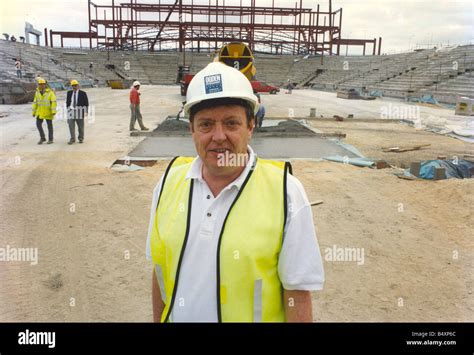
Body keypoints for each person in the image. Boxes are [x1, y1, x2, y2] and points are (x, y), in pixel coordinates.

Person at [146, 62, 324, 323]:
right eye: (206, 124)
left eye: (231, 123)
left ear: (251, 126)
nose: (219, 136)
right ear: (192, 130)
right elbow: (160, 272)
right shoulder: (168, 182)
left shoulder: (285, 192)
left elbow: (296, 293)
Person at [32, 78, 57, 144]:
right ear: (38, 85)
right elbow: (35, 103)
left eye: (43, 84)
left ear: (45, 85)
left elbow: (53, 102)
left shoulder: (50, 92)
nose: (41, 85)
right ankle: (42, 138)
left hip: (48, 112)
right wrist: (33, 112)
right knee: (38, 125)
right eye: (40, 84)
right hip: (40, 112)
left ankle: (50, 139)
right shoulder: (37, 93)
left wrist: (53, 111)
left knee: (49, 126)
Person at [66, 79, 89, 144]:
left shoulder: (83, 93)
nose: (74, 87)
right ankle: (72, 139)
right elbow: (67, 102)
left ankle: (81, 138)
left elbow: (86, 103)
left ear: (78, 86)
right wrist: (68, 110)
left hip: (80, 111)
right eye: (73, 86)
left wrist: (86, 111)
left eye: (75, 85)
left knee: (80, 126)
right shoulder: (69, 93)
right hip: (71, 111)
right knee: (71, 126)